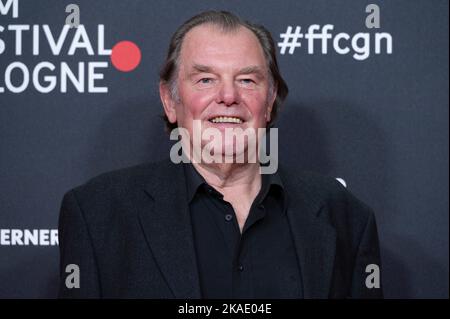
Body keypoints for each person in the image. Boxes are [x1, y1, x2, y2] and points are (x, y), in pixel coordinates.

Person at [58, 10, 383, 298]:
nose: (228, 96)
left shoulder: (344, 216)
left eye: (246, 79)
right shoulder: (99, 214)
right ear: (170, 101)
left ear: (269, 102)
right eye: (205, 79)